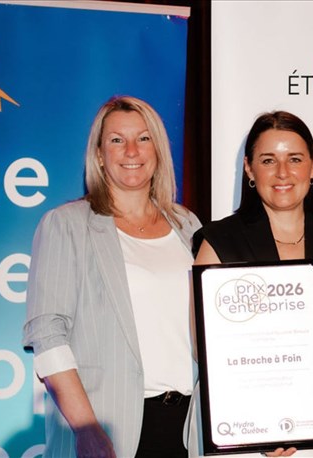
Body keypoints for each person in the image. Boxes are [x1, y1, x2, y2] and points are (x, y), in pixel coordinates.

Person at [189, 110, 313, 457]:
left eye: (295, 159)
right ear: (249, 169)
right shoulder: (218, 242)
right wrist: (261, 425)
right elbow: (203, 348)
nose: (282, 172)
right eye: (268, 160)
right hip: (237, 423)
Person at [23, 95, 201, 458]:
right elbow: (48, 336)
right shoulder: (67, 225)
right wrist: (86, 429)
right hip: (111, 429)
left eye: (143, 138)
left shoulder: (188, 226)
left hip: (191, 428)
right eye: (117, 140)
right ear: (100, 154)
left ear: (158, 150)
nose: (131, 150)